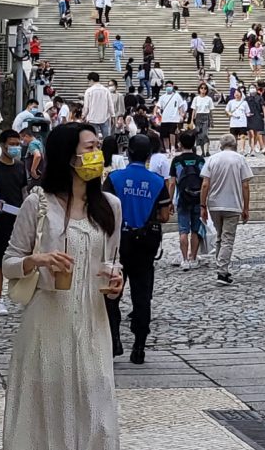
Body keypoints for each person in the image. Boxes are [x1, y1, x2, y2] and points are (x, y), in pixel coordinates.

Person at [2, 123, 124, 450]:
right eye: (89, 147)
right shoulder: (39, 204)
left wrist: (117, 281)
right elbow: (10, 261)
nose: (97, 154)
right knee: (48, 411)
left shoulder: (110, 205)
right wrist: (37, 260)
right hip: (47, 321)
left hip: (93, 321)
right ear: (68, 156)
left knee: (97, 412)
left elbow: (113, 260)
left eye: (98, 146)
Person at [105, 134, 171, 364]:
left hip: (118, 244)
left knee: (112, 294)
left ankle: (114, 340)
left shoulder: (114, 178)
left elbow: (104, 210)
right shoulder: (158, 181)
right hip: (145, 246)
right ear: (149, 155)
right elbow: (164, 215)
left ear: (128, 153)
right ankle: (139, 346)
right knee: (142, 297)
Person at [200, 133, 253, 286]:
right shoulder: (240, 159)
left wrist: (203, 205)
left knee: (220, 237)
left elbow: (205, 184)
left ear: (221, 145)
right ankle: (222, 272)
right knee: (227, 238)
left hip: (214, 204)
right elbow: (245, 185)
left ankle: (221, 266)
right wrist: (246, 207)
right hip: (233, 204)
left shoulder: (213, 159)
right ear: (235, 144)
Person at [0, 130, 26, 317]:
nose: (15, 147)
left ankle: (22, 294)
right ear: (2, 145)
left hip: (19, 218)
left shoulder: (20, 166)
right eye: (12, 144)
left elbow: (23, 190)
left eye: (18, 144)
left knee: (23, 257)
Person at [169, 131, 206, 270]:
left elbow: (172, 183)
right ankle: (193, 258)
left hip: (182, 199)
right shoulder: (200, 160)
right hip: (198, 198)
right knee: (195, 230)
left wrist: (170, 201)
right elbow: (205, 181)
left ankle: (184, 259)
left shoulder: (177, 161)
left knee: (183, 230)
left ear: (180, 144)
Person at [154, 80, 187, 153]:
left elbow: (180, 106)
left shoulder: (177, 96)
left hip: (174, 118)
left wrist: (181, 115)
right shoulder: (162, 97)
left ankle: (172, 147)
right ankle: (167, 149)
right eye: (167, 86)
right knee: (165, 135)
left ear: (172, 86)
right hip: (164, 118)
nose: (168, 88)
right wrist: (156, 114)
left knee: (172, 133)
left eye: (170, 86)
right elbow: (158, 106)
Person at [83, 71, 116, 138]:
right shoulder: (106, 90)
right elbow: (110, 104)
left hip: (92, 118)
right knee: (106, 138)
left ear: (91, 80)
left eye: (89, 81)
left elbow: (86, 106)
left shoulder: (88, 91)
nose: (89, 83)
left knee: (94, 137)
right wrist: (113, 115)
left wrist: (84, 115)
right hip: (104, 117)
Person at [226, 86, 252, 155]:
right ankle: (234, 149)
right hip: (233, 122)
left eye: (238, 93)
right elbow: (227, 110)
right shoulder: (231, 102)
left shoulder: (244, 102)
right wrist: (229, 113)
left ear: (241, 94)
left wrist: (249, 115)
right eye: (235, 93)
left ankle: (242, 149)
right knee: (234, 137)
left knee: (242, 136)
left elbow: (247, 112)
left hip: (242, 122)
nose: (236, 94)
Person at [190, 82, 214, 155]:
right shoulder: (196, 98)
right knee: (199, 135)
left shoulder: (209, 99)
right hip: (198, 116)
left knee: (205, 134)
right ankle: (202, 151)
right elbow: (194, 110)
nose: (203, 90)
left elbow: (210, 111)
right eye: (202, 88)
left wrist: (212, 120)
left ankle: (207, 150)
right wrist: (191, 120)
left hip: (206, 116)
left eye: (205, 88)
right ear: (199, 89)